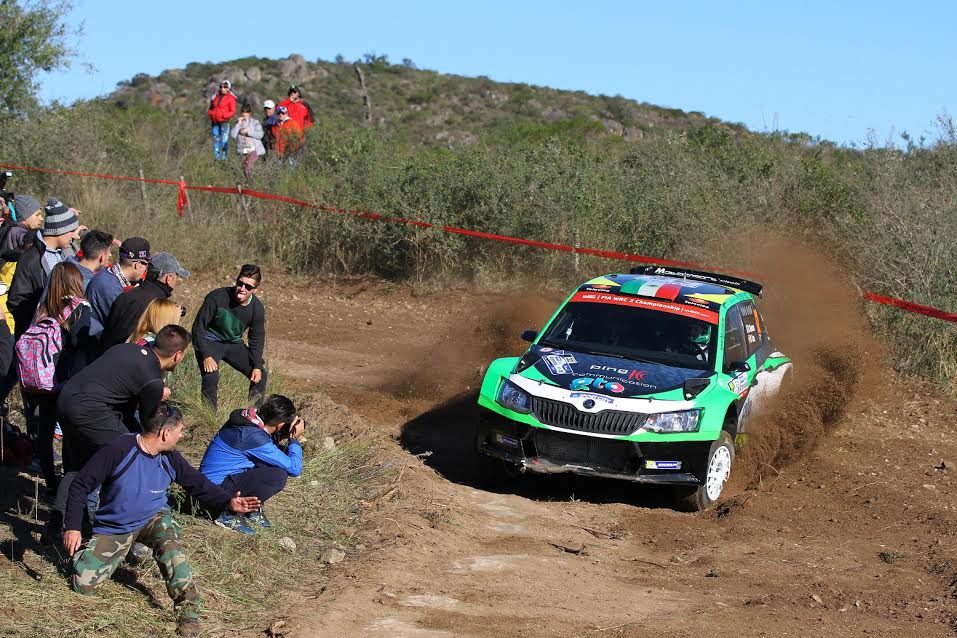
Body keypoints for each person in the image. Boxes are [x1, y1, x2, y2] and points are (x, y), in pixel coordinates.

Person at [63, 403, 261, 638]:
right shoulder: (118, 449)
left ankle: (188, 612)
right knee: (82, 585)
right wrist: (73, 527)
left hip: (153, 517)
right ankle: (102, 550)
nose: (182, 435)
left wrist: (228, 502)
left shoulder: (170, 456)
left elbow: (196, 483)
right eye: (180, 430)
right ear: (165, 433)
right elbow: (80, 485)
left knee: (171, 545)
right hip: (116, 526)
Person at [50, 325, 192, 530]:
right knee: (128, 456)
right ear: (178, 355)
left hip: (66, 401)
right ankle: (119, 524)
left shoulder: (128, 349)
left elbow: (124, 410)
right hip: (90, 411)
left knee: (77, 468)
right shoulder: (152, 380)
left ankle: (57, 527)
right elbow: (150, 428)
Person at [18, 262, 96, 493]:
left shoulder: (43, 308)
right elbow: (80, 344)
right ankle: (68, 485)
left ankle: (51, 481)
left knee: (45, 431)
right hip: (63, 379)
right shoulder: (79, 308)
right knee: (70, 433)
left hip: (39, 379)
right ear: (76, 282)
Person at [199, 394, 303, 534]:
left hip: (206, 485)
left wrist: (281, 434)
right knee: (278, 475)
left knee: (273, 461)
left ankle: (251, 509)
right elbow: (294, 468)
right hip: (214, 493)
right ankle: (229, 514)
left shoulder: (248, 420)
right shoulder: (252, 436)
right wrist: (294, 439)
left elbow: (269, 448)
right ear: (280, 424)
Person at [192, 264, 266, 411]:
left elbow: (256, 340)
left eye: (248, 287)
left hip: (233, 343)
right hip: (210, 340)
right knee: (211, 375)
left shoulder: (257, 309)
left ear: (255, 289)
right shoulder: (217, 297)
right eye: (240, 283)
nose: (242, 289)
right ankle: (208, 417)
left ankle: (253, 416)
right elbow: (198, 328)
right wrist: (206, 355)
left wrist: (257, 365)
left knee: (260, 374)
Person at [7, 197, 79, 339]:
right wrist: (38, 323)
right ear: (59, 230)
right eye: (71, 230)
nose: (74, 235)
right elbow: (16, 301)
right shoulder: (31, 259)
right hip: (35, 338)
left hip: (56, 336)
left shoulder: (63, 254)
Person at [100, 252, 188, 350]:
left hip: (106, 352)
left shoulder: (127, 294)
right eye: (176, 276)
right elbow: (163, 345)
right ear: (169, 278)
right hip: (131, 356)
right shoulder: (158, 306)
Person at [86, 237, 151, 331]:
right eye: (146, 264)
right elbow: (124, 325)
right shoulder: (109, 287)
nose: (146, 269)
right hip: (94, 337)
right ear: (137, 265)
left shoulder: (109, 274)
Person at [230, 103, 265, 180]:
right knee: (244, 169)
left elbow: (260, 135)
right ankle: (248, 183)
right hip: (242, 150)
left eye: (247, 112)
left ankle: (252, 183)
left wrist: (248, 132)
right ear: (241, 112)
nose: (244, 114)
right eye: (243, 112)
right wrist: (238, 124)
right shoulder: (238, 123)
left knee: (248, 167)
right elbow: (233, 135)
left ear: (249, 113)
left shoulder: (255, 122)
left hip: (253, 149)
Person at [207, 79, 236, 161]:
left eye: (225, 87)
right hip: (215, 122)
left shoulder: (231, 98)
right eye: (221, 86)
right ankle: (216, 158)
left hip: (224, 122)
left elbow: (233, 111)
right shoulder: (215, 97)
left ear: (228, 88)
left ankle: (223, 159)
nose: (222, 88)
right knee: (216, 140)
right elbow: (210, 108)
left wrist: (224, 116)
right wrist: (211, 114)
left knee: (224, 141)